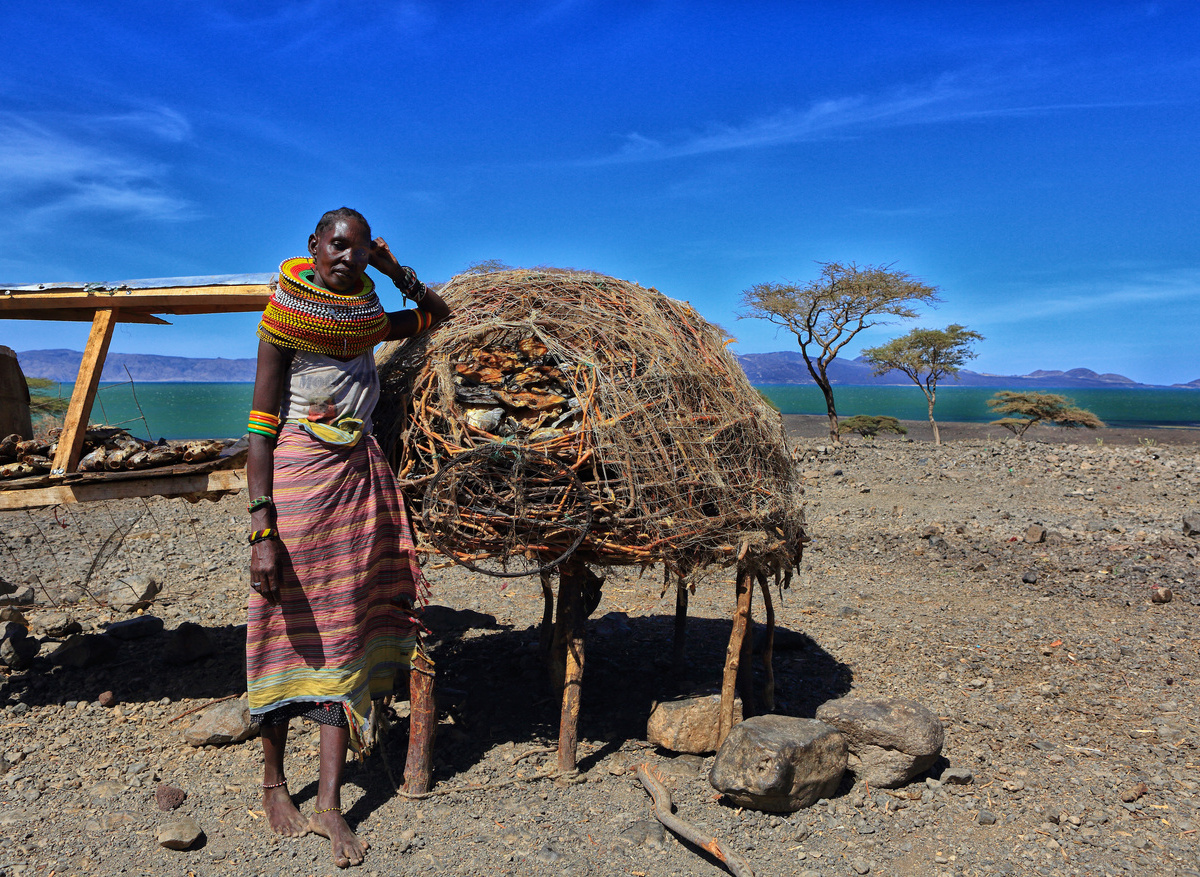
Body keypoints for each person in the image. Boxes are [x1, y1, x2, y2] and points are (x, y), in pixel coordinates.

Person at [244, 207, 450, 868]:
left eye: (360, 252)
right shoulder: (284, 320)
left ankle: (331, 804)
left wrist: (396, 269)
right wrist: (261, 530)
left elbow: (436, 312)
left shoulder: (366, 320)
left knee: (342, 630)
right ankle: (275, 780)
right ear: (313, 244)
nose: (347, 258)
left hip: (358, 487)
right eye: (338, 245)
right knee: (281, 624)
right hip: (299, 487)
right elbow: (258, 427)